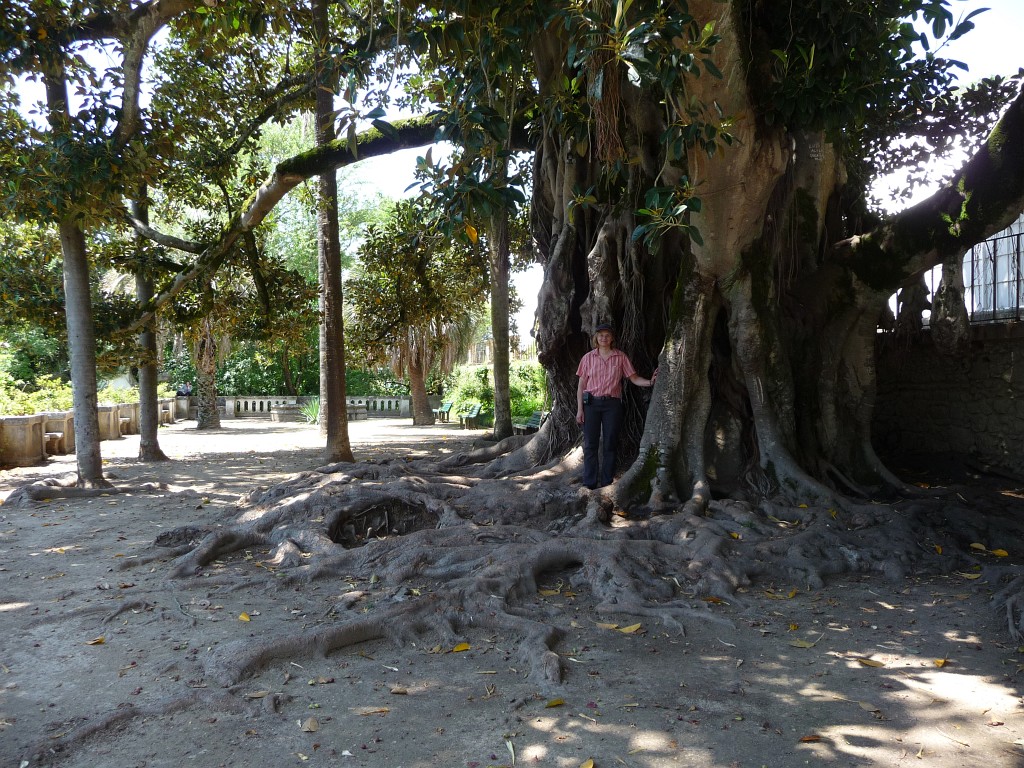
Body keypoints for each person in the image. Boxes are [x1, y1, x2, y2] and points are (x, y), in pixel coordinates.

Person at [576, 323, 656, 489]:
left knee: (610, 443)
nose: (603, 338)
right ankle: (589, 483)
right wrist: (580, 410)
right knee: (590, 444)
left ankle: (606, 482)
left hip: (612, 405)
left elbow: (633, 378)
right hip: (591, 404)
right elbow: (581, 386)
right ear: (596, 338)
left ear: (612, 338)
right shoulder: (588, 358)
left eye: (607, 335)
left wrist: (650, 382)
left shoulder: (620, 357)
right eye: (600, 335)